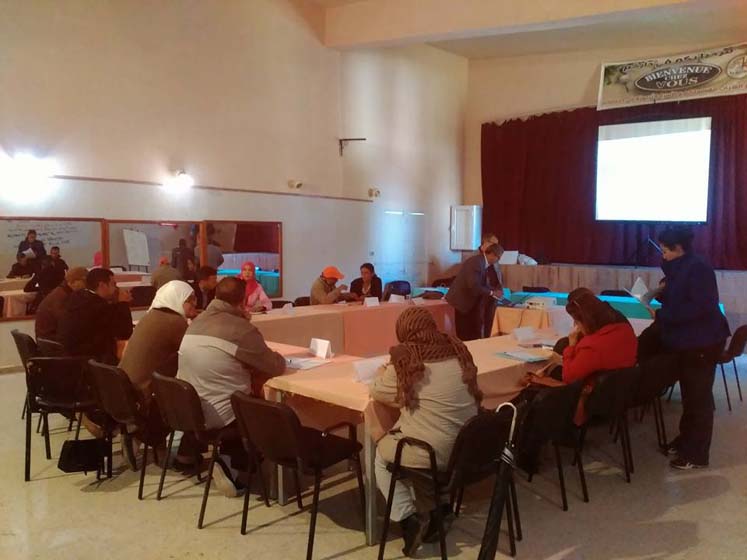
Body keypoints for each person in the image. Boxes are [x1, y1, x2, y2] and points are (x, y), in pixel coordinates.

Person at [371, 307, 481, 556]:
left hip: (434, 452)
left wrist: (382, 373)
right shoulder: (458, 349)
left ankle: (407, 519)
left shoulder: (406, 359)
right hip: (467, 446)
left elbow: (379, 392)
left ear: (403, 332)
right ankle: (439, 508)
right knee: (420, 435)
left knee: (383, 456)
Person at [177, 277, 286, 495]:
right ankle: (231, 464)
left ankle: (211, 457)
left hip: (190, 408)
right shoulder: (240, 329)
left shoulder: (197, 321)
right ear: (243, 300)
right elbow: (274, 366)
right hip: (221, 414)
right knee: (271, 409)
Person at [653, 227, 730, 470]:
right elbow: (680, 295)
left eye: (665, 251)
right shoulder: (680, 265)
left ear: (679, 248)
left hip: (703, 341)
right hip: (689, 341)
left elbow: (699, 307)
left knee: (699, 399)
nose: (663, 255)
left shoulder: (698, 268)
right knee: (690, 396)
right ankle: (685, 441)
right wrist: (661, 293)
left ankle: (696, 455)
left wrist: (663, 315)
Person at [120, 280, 196, 401]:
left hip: (123, 388)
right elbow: (194, 350)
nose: (194, 303)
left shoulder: (151, 314)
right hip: (143, 393)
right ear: (177, 299)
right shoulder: (175, 321)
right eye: (189, 300)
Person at [58, 268, 134, 363]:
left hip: (68, 356)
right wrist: (123, 303)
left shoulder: (77, 297)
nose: (116, 288)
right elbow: (125, 333)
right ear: (102, 285)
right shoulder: (98, 306)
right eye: (113, 284)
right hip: (87, 360)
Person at [445, 243, 503, 341]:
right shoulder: (476, 263)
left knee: (473, 332)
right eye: (498, 257)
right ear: (492, 254)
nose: (498, 260)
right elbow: (473, 285)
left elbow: (481, 283)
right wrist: (492, 293)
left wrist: (494, 291)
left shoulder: (481, 262)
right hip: (462, 301)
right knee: (464, 333)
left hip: (469, 302)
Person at [34, 267, 88, 340]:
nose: (86, 285)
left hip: (45, 339)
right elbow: (67, 324)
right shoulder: (64, 297)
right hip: (52, 341)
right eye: (84, 282)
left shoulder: (60, 292)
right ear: (73, 282)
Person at [478, 234, 504, 337]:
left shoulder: (495, 255)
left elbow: (498, 275)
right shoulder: (476, 257)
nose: (496, 247)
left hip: (493, 295)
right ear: (485, 243)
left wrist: (499, 289)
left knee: (490, 322)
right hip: (481, 295)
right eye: (494, 244)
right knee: (479, 323)